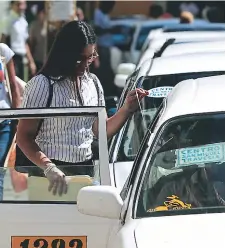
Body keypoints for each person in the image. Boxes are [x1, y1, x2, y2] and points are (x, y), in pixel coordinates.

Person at [16, 21, 148, 196]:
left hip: (85, 170)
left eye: (91, 57)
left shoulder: (92, 82)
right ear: (65, 55)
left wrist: (126, 109)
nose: (86, 64)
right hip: (47, 175)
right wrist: (49, 168)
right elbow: (23, 137)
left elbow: (101, 131)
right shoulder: (42, 84)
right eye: (80, 58)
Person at [0, 42, 21, 200]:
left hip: (5, 120)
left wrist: (18, 118)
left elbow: (13, 86)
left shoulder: (2, 50)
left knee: (1, 170)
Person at [1, 0, 36, 80]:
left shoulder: (23, 21)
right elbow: (3, 40)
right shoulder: (7, 20)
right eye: (18, 4)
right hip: (12, 58)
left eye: (23, 4)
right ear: (12, 5)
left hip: (22, 58)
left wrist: (31, 61)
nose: (22, 7)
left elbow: (25, 43)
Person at [93, 1, 116, 96]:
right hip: (101, 46)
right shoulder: (98, 14)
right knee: (103, 71)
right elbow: (97, 30)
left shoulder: (106, 15)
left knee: (107, 71)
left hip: (107, 46)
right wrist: (110, 30)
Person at [29, 4, 47, 72]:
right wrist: (31, 61)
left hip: (48, 60)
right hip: (37, 60)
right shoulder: (34, 26)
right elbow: (30, 44)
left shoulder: (51, 26)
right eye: (43, 13)